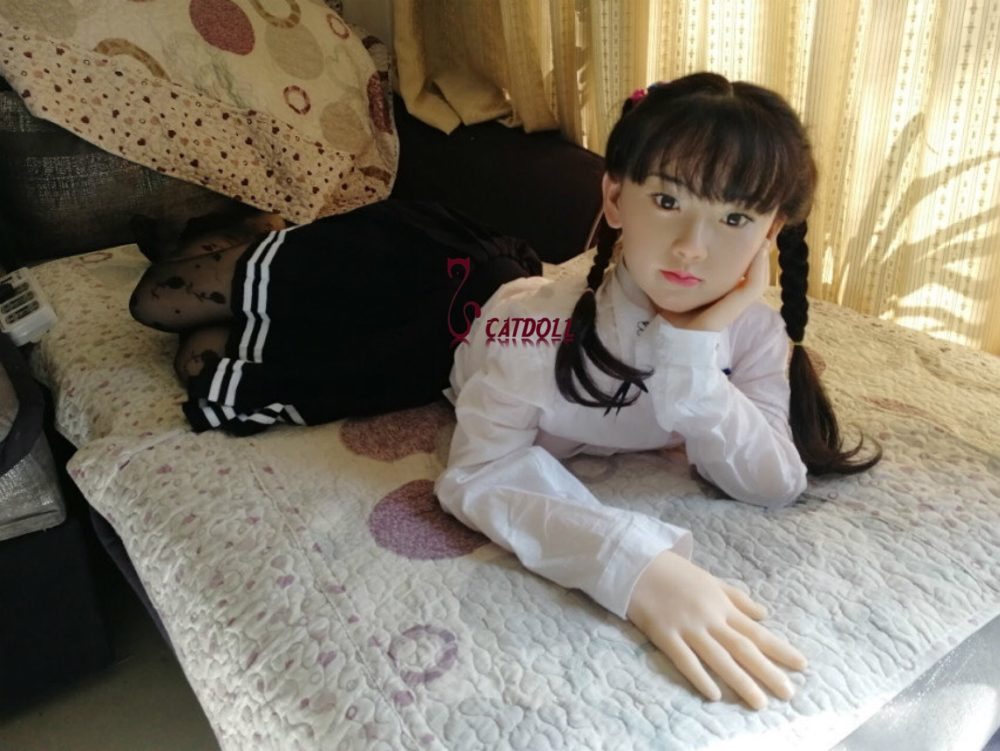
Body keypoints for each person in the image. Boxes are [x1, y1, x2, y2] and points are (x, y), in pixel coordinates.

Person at [434, 72, 881, 710]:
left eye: (735, 217)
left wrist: (692, 351)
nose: (692, 248)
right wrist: (635, 565)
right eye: (668, 201)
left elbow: (774, 483)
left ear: (770, 232)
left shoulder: (753, 332)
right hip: (473, 309)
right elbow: (477, 472)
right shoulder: (531, 333)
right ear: (615, 197)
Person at [129, 200, 542, 434]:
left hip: (423, 359)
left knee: (198, 361)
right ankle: (255, 239)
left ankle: (262, 248)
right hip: (448, 277)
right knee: (154, 299)